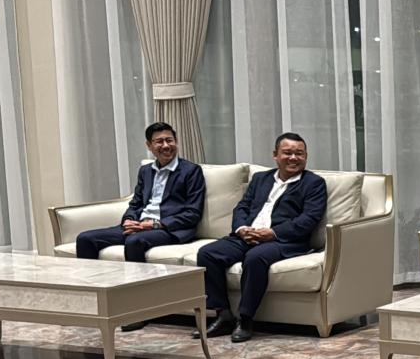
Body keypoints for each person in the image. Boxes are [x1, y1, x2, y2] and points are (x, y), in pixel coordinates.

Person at [194, 133, 327, 344]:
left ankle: (245, 319)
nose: (293, 158)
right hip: (247, 235)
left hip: (283, 241)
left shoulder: (314, 183)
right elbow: (242, 207)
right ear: (275, 155)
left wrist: (273, 233)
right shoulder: (260, 179)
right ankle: (223, 314)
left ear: (306, 156)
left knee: (255, 258)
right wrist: (242, 229)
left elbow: (308, 219)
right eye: (287, 153)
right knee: (208, 253)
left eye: (299, 153)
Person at [75, 122, 205, 331]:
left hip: (168, 229)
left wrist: (152, 225)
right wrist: (129, 219)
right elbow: (135, 203)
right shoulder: (145, 171)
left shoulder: (191, 171)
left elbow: (192, 213)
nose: (166, 146)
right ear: (149, 146)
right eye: (159, 142)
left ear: (176, 142)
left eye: (169, 140)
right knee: (85, 239)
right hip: (139, 226)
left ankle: (139, 310)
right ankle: (92, 305)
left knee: (135, 242)